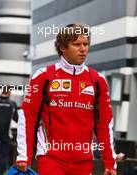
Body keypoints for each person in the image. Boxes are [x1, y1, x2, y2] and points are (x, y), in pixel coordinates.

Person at [16, 24, 117, 175]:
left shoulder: (97, 80)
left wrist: (110, 162)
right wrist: (24, 155)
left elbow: (104, 124)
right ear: (63, 47)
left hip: (83, 161)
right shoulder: (43, 76)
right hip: (51, 158)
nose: (83, 49)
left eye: (86, 44)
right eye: (77, 44)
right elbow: (27, 117)